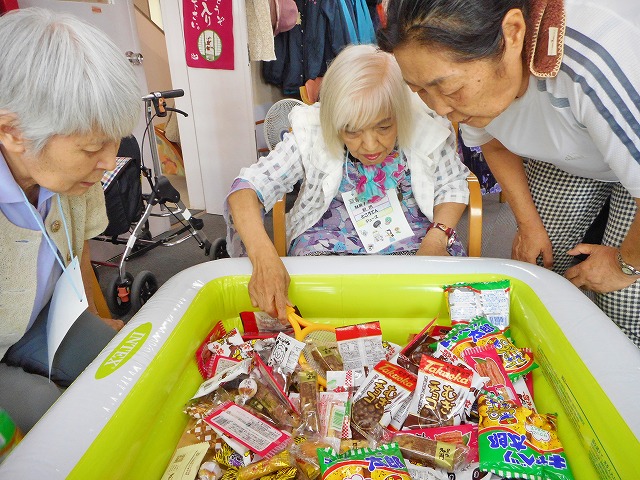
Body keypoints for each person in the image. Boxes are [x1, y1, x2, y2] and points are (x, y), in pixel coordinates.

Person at [378, 0, 640, 347]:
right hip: (575, 151)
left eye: (451, 89)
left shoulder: (594, 64)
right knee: (540, 260)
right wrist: (528, 225)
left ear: (513, 33)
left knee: (622, 300)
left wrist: (623, 264)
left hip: (625, 155)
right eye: (420, 90)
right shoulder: (475, 93)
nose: (441, 110)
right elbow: (494, 144)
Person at [225, 44, 470, 321]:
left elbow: (453, 184)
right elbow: (246, 188)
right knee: (315, 308)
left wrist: (437, 238)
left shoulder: (424, 126)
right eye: (352, 131)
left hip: (416, 240)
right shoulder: (313, 131)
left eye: (384, 127)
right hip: (327, 245)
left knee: (437, 307)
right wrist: (264, 258)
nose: (370, 145)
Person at [0, 8, 141, 433]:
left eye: (113, 141)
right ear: (12, 131)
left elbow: (76, 252)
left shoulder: (75, 177)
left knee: (128, 371)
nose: (107, 163)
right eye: (91, 147)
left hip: (44, 318)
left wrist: (99, 319)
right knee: (50, 420)